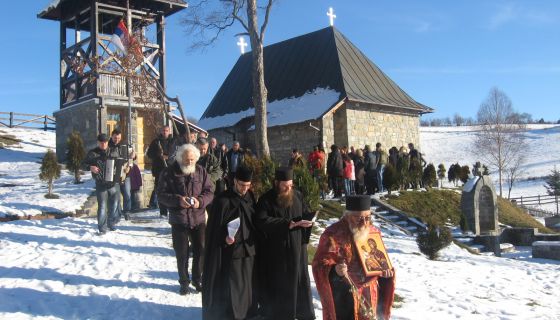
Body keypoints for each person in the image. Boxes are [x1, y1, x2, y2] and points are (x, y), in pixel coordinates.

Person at [312, 195, 396, 320]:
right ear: (347, 216)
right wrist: (335, 270)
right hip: (344, 297)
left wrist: (385, 274)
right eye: (359, 218)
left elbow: (381, 262)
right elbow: (319, 265)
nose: (364, 223)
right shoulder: (333, 234)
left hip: (369, 295)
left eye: (368, 218)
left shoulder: (373, 232)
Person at [255, 167, 315, 320]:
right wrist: (286, 224)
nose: (289, 188)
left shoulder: (298, 196)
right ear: (276, 183)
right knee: (281, 282)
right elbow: (261, 221)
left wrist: (310, 219)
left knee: (299, 280)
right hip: (277, 250)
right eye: (285, 186)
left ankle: (301, 312)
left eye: (290, 185)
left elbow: (305, 211)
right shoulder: (266, 199)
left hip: (297, 248)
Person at [157, 143, 214, 294]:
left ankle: (197, 279)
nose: (190, 162)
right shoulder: (168, 173)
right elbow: (161, 195)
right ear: (180, 157)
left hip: (198, 218)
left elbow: (209, 192)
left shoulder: (201, 171)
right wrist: (177, 200)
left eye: (193, 159)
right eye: (187, 159)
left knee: (201, 250)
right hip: (179, 219)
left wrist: (200, 201)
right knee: (181, 253)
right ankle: (184, 282)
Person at [202, 166, 257, 320]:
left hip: (250, 249)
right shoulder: (222, 201)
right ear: (234, 181)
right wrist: (224, 238)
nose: (244, 189)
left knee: (248, 285)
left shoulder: (250, 196)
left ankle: (247, 313)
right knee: (234, 287)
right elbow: (213, 231)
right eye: (241, 185)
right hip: (232, 251)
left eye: (247, 186)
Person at [83, 133, 121, 234]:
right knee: (103, 206)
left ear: (108, 142)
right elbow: (82, 164)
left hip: (114, 183)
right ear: (98, 142)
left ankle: (111, 223)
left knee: (115, 204)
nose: (103, 145)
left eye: (105, 142)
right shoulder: (93, 153)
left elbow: (120, 163)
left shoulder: (113, 151)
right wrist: (90, 167)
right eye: (101, 143)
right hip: (101, 183)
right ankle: (102, 228)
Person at [147, 125, 175, 216]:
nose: (165, 132)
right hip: (159, 171)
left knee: (171, 190)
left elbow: (176, 154)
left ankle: (172, 211)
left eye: (166, 130)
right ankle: (163, 212)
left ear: (169, 131)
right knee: (160, 191)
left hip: (171, 169)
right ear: (161, 131)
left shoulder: (173, 141)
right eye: (163, 130)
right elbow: (149, 154)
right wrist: (158, 154)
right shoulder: (156, 142)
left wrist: (168, 157)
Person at [108, 129, 135, 221]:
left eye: (118, 138)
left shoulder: (125, 145)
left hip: (125, 174)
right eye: (115, 138)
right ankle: (117, 215)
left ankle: (127, 212)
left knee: (127, 194)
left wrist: (131, 165)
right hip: (113, 175)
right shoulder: (108, 146)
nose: (117, 139)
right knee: (117, 196)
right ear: (111, 136)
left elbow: (132, 158)